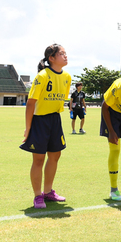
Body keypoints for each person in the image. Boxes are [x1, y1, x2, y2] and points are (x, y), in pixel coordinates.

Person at [20, 44, 71, 209]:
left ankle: (48, 192)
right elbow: (31, 103)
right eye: (61, 54)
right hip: (39, 121)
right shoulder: (42, 76)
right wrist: (28, 127)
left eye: (65, 53)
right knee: (39, 159)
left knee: (55, 156)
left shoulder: (67, 77)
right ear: (51, 58)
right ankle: (37, 195)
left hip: (55, 120)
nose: (65, 56)